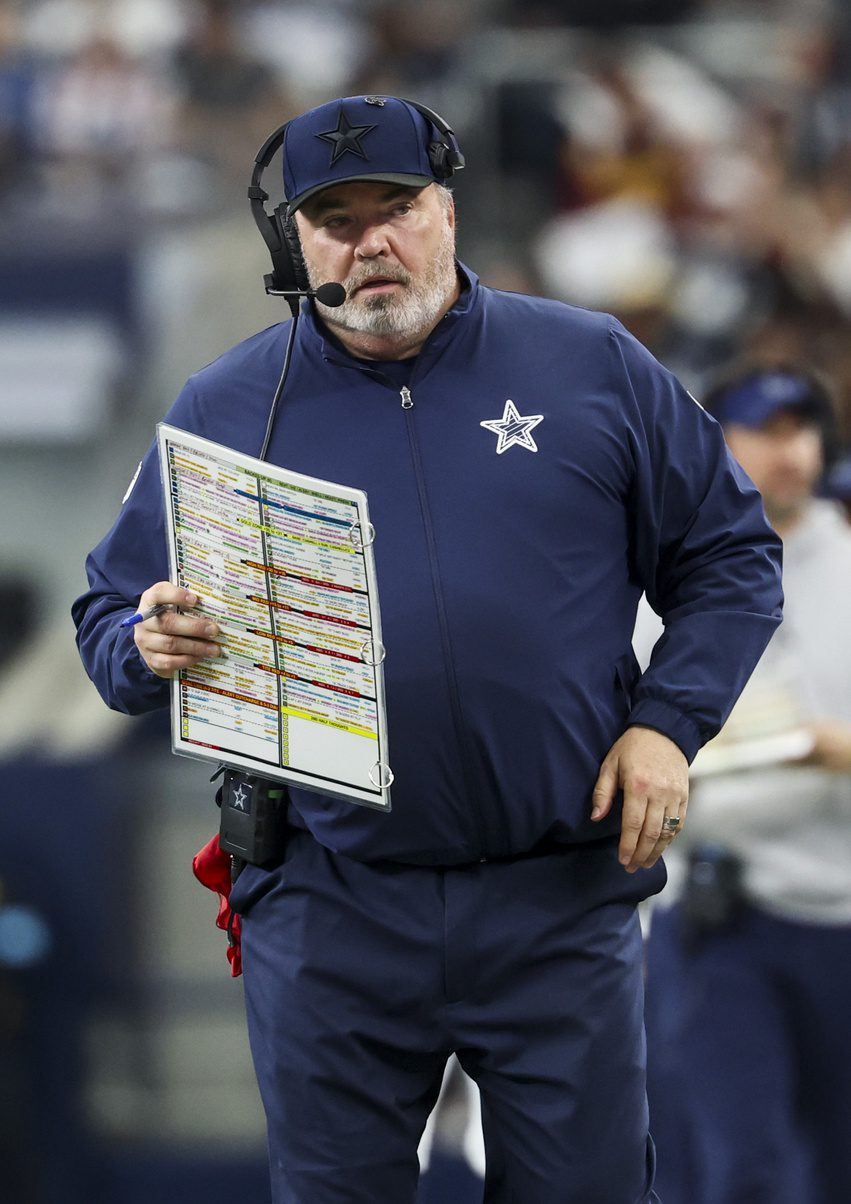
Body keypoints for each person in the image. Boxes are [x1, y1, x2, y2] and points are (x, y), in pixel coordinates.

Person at [72, 96, 783, 1203]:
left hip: (557, 886)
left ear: (446, 211)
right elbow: (105, 622)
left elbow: (730, 557)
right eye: (334, 218)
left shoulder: (589, 361)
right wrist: (142, 640)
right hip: (332, 899)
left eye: (395, 206)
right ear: (292, 243)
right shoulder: (223, 405)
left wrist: (666, 724)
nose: (371, 241)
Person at [641, 365, 851, 1204]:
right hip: (720, 910)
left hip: (839, 907)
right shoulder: (657, 575)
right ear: (716, 443)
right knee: (742, 1170)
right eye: (763, 430)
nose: (789, 451)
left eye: (802, 428)